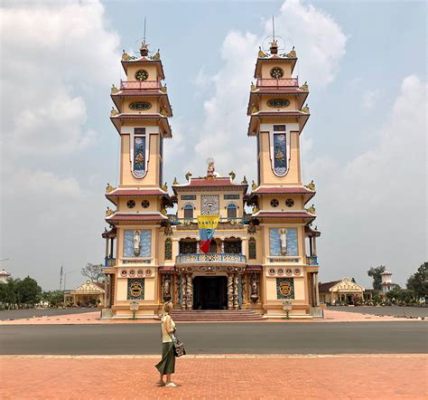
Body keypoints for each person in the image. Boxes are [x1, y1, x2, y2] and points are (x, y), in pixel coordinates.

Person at [155, 301, 177, 387]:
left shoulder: (163, 317)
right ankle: (168, 381)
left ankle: (161, 380)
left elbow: (162, 332)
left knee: (164, 360)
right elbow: (169, 330)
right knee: (170, 361)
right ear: (169, 309)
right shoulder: (168, 318)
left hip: (165, 341)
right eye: (172, 307)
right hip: (169, 341)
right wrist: (174, 328)